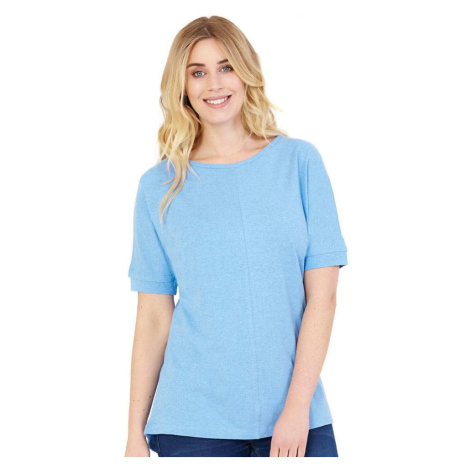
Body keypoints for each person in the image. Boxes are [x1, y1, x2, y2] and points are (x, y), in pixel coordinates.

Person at [125, 16, 348, 458]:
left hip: (295, 418)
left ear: (247, 72)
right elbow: (153, 317)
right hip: (190, 424)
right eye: (198, 72)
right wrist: (134, 433)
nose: (214, 84)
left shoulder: (300, 163)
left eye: (226, 67)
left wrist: (296, 408)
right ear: (182, 86)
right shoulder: (159, 186)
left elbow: (322, 298)